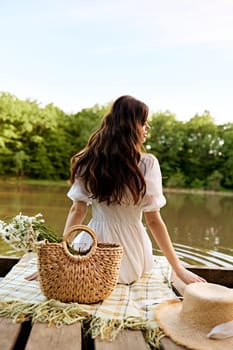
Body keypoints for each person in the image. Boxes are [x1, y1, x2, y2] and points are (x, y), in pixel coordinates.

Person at [63, 95, 205, 285]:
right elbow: (153, 221)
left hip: (92, 246)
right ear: (130, 125)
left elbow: (77, 211)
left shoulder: (88, 160)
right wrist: (178, 269)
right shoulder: (147, 164)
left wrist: (62, 255)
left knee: (90, 272)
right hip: (132, 253)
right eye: (144, 122)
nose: (147, 128)